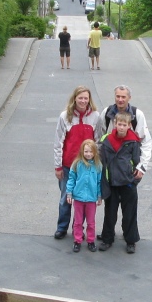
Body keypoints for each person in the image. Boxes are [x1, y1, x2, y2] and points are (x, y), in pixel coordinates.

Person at [52, 86, 101, 240]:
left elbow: (98, 141)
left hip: (87, 167)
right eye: (80, 98)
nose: (83, 101)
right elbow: (58, 142)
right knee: (65, 198)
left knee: (84, 200)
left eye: (86, 98)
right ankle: (62, 227)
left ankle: (77, 229)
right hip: (68, 166)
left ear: (89, 99)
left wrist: (96, 164)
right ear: (74, 98)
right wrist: (58, 165)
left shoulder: (95, 116)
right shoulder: (64, 116)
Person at [98, 112, 143, 254]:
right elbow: (101, 161)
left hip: (127, 183)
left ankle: (131, 241)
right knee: (109, 213)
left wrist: (134, 180)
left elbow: (137, 162)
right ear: (115, 124)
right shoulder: (106, 140)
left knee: (129, 213)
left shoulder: (134, 141)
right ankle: (107, 239)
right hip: (111, 183)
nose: (121, 127)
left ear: (129, 126)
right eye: (119, 124)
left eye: (124, 125)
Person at [65, 138, 102, 252]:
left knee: (91, 221)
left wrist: (99, 196)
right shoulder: (77, 164)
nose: (88, 154)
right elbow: (71, 179)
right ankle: (77, 240)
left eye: (91, 151)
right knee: (78, 221)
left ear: (95, 152)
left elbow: (99, 182)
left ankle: (90, 240)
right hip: (79, 198)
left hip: (91, 198)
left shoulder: (98, 165)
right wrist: (69, 193)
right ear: (82, 151)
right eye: (86, 151)